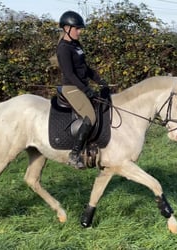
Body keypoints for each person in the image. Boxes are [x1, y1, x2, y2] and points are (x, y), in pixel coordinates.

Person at [57, 10, 108, 169]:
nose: (79, 32)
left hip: (81, 85)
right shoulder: (63, 48)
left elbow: (84, 68)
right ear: (67, 28)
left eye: (80, 29)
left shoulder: (76, 45)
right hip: (71, 87)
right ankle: (74, 154)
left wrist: (100, 80)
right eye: (77, 29)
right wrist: (86, 90)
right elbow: (70, 74)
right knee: (90, 116)